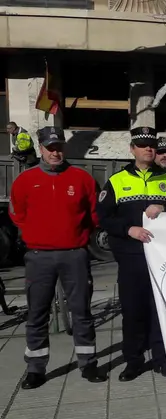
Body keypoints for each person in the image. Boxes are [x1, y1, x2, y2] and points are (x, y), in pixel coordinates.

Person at [96, 127, 166, 381]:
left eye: (152, 145)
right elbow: (104, 217)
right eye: (142, 145)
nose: (149, 149)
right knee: (132, 310)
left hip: (162, 258)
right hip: (131, 258)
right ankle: (133, 361)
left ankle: (162, 360)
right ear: (132, 149)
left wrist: (164, 206)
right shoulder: (117, 181)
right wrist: (127, 229)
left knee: (159, 309)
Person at [9, 126, 106, 389]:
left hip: (74, 255)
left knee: (82, 312)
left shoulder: (82, 179)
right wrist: (35, 234)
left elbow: (93, 215)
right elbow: (17, 213)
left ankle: (88, 364)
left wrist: (78, 238)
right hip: (39, 256)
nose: (55, 152)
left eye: (58, 147)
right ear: (40, 148)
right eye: (49, 147)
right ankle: (35, 369)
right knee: (37, 313)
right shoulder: (25, 181)